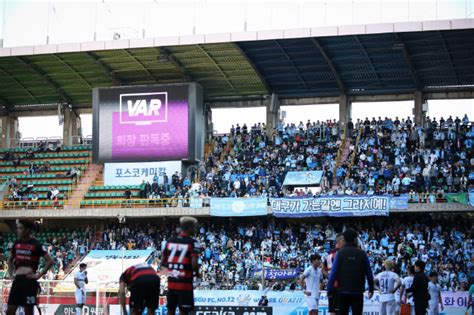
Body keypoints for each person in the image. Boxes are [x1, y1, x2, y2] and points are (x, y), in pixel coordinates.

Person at [6, 219, 53, 315]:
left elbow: (49, 261)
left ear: (27, 230)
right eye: (17, 228)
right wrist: (11, 274)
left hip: (29, 281)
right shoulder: (16, 243)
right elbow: (9, 260)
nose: (17, 230)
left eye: (20, 228)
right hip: (17, 280)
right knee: (10, 310)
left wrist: (39, 275)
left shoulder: (36, 244)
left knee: (28, 311)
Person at [327, 228, 374, 315]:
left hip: (343, 291)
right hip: (358, 291)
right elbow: (369, 272)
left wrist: (329, 289)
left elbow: (333, 273)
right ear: (355, 239)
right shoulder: (362, 253)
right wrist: (371, 288)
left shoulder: (340, 253)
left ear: (344, 239)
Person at [163, 217, 200, 315]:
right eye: (194, 227)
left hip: (171, 283)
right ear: (189, 228)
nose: (195, 229)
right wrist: (197, 273)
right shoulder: (193, 242)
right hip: (185, 285)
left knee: (170, 310)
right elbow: (194, 264)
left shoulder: (169, 241)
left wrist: (173, 271)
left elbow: (163, 263)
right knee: (184, 311)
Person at [325, 233, 345, 315]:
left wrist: (329, 277)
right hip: (337, 286)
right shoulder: (334, 254)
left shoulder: (332, 254)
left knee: (335, 311)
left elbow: (324, 269)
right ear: (339, 241)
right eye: (344, 240)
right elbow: (324, 269)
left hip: (337, 286)